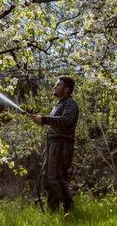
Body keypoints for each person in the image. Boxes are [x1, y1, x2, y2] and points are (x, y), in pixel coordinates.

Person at [29, 76, 79, 212]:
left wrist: (44, 119)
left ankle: (70, 209)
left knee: (56, 177)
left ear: (67, 89)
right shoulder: (60, 104)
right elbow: (56, 124)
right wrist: (40, 120)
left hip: (61, 145)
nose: (55, 87)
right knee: (48, 179)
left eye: (58, 85)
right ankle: (53, 213)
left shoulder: (71, 103)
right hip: (54, 145)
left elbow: (65, 120)